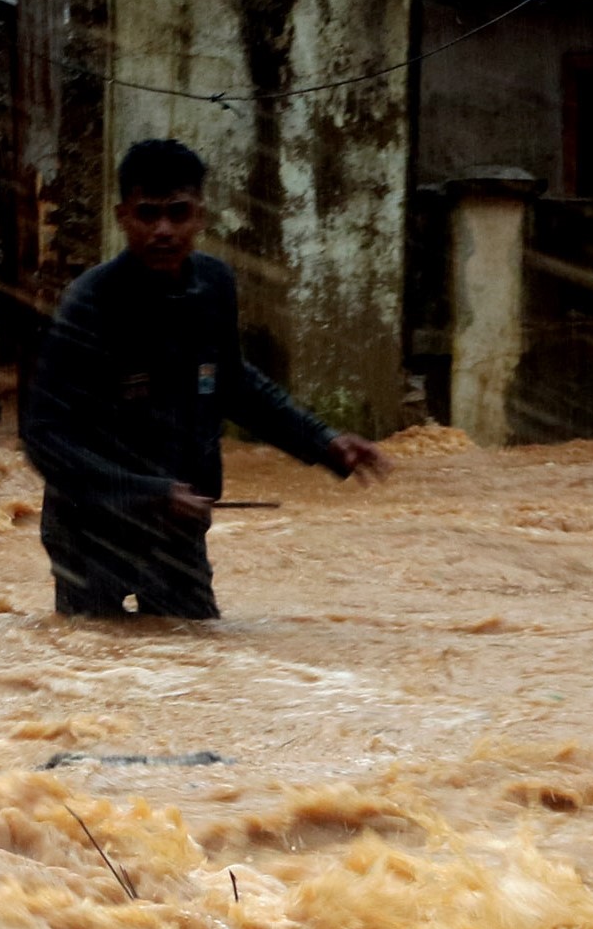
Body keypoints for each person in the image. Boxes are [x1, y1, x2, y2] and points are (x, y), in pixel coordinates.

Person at [21, 138, 387, 620]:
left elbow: (234, 383)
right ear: (122, 216)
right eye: (148, 214)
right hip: (91, 530)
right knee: (95, 666)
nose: (164, 230)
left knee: (196, 661)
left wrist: (323, 441)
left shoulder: (212, 286)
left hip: (177, 526)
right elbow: (43, 436)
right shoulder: (89, 304)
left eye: (178, 212)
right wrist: (143, 491)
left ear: (200, 215)